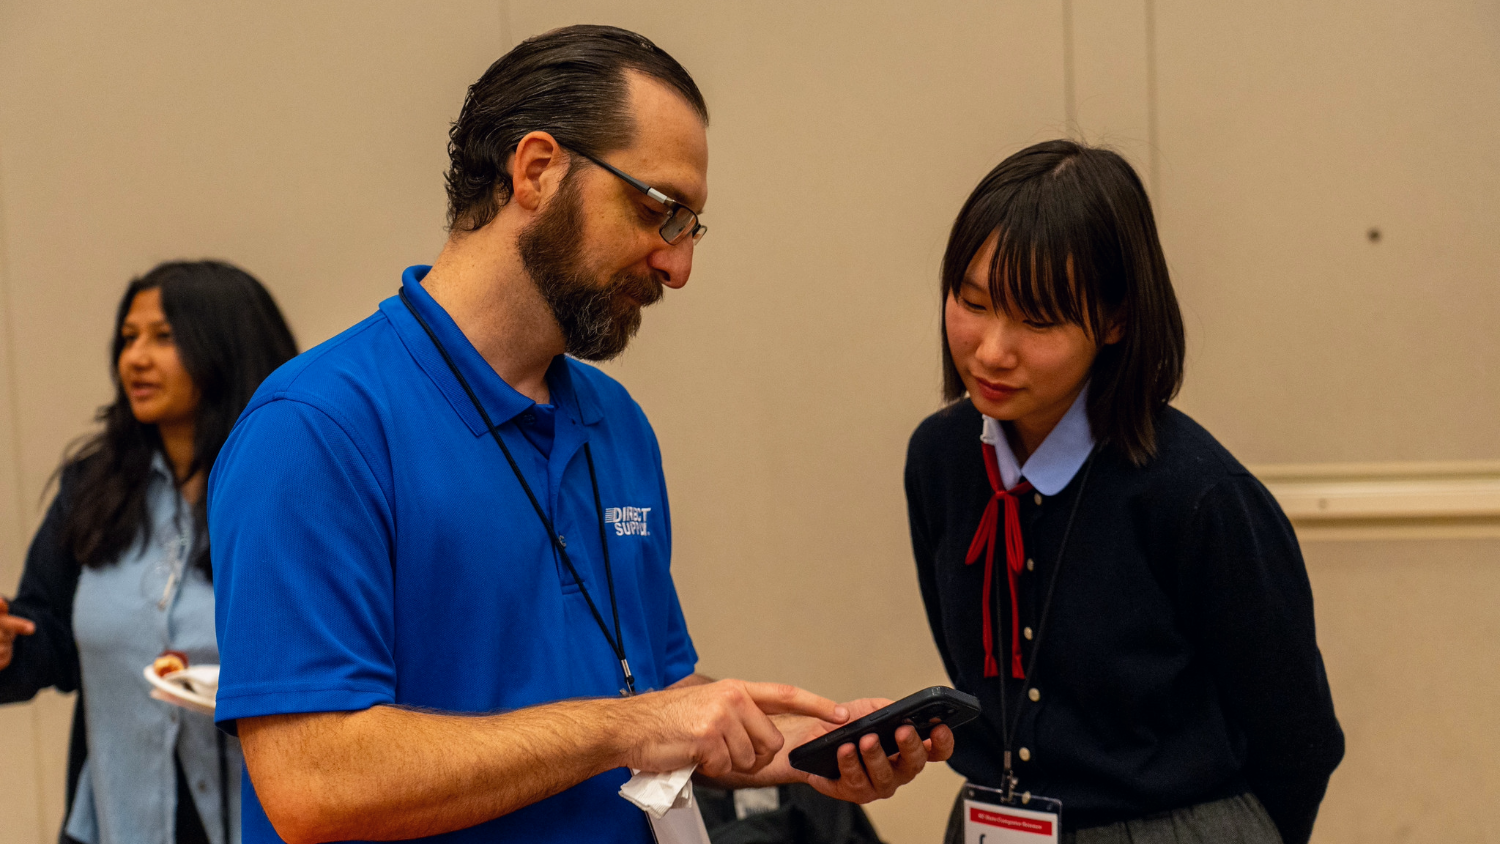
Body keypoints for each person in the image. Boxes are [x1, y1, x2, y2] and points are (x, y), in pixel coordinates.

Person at [207, 24, 952, 844]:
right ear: (536, 170)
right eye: (659, 210)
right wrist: (630, 728)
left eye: (690, 227)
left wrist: (783, 744)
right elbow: (314, 781)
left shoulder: (614, 422)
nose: (677, 267)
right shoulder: (317, 429)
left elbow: (645, 692)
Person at [904, 140, 1345, 844]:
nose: (991, 350)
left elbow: (1299, 737)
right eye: (973, 302)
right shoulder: (941, 458)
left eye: (1037, 320)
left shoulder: (1199, 494)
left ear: (1116, 320)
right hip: (993, 824)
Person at [0, 260, 298, 844]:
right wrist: (8, 646)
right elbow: (49, 637)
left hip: (259, 819)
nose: (135, 358)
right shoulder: (92, 487)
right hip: (114, 823)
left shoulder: (287, 486)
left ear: (226, 346)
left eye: (163, 337)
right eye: (128, 338)